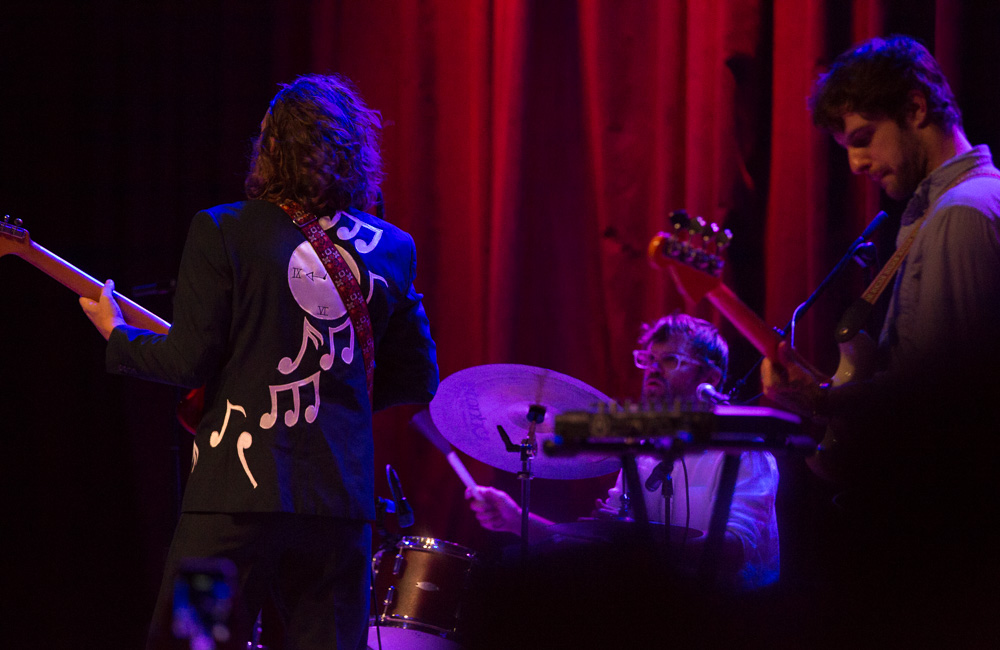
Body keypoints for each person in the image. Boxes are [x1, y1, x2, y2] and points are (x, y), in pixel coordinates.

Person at [80, 74, 438, 649]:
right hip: (338, 507)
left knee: (192, 643)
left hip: (230, 504)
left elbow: (186, 360)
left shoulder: (223, 229)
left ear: (270, 149)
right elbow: (419, 376)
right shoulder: (393, 247)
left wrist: (117, 335)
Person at [762, 35, 1000, 637]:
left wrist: (816, 403)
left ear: (916, 110)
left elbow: (944, 399)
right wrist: (826, 391)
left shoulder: (963, 215)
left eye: (864, 139)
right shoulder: (947, 213)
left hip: (938, 551)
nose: (855, 165)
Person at [467, 314, 780, 590]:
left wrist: (630, 541)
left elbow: (733, 551)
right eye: (649, 360)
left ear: (710, 379)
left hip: (727, 621)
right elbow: (593, 549)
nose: (653, 370)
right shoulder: (642, 456)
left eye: (670, 359)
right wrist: (515, 519)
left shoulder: (746, 452)